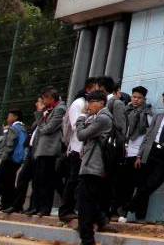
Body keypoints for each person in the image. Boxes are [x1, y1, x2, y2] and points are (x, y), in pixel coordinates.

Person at [130, 89, 164, 222]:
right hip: (151, 151)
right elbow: (148, 136)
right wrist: (139, 155)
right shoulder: (158, 117)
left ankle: (131, 204)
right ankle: (140, 217)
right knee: (142, 184)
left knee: (153, 183)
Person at [75, 90, 113, 245]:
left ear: (102, 103)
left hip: (94, 165)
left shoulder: (103, 118)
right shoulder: (99, 117)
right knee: (87, 198)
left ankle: (87, 239)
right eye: (88, 102)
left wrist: (81, 118)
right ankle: (102, 221)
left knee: (84, 204)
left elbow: (81, 135)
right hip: (92, 164)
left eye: (92, 102)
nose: (89, 106)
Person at [59, 77, 99, 222]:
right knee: (73, 180)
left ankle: (73, 209)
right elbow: (77, 126)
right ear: (88, 89)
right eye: (96, 89)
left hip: (83, 148)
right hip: (76, 147)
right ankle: (65, 210)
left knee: (78, 181)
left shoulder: (89, 104)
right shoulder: (79, 104)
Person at [113, 85, 153, 220]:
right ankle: (121, 213)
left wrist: (140, 155)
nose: (136, 100)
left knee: (140, 185)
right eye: (134, 97)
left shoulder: (147, 114)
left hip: (138, 154)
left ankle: (139, 216)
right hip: (126, 151)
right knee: (124, 185)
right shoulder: (126, 110)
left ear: (144, 99)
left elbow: (148, 136)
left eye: (139, 98)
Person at [30, 86, 65, 217]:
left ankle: (45, 208)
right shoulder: (48, 110)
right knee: (38, 180)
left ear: (51, 98)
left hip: (50, 150)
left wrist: (39, 114)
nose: (43, 102)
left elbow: (46, 129)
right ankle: (38, 206)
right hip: (41, 149)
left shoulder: (59, 109)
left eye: (44, 99)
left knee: (47, 181)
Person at [3, 99, 43, 214]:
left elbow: (45, 128)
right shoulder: (39, 117)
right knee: (22, 177)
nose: (37, 104)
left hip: (38, 151)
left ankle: (34, 207)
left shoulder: (47, 115)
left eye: (40, 102)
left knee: (36, 181)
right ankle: (17, 205)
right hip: (31, 150)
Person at [0, 109, 26, 211]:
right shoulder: (23, 128)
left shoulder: (14, 128)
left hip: (10, 158)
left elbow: (9, 144)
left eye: (9, 116)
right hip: (17, 160)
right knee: (8, 181)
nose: (8, 119)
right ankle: (7, 203)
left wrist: (4, 156)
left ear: (15, 117)